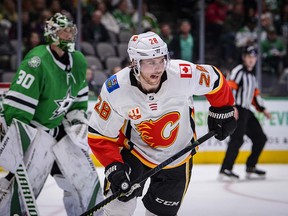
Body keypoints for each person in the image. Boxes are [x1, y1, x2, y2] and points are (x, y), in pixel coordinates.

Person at [87, 31, 237, 216]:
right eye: (150, 62)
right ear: (135, 62)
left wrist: (223, 110)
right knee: (118, 209)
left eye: (161, 60)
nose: (158, 68)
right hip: (135, 152)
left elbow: (215, 80)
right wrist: (114, 167)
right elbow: (99, 134)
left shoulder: (183, 74)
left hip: (178, 157)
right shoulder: (116, 88)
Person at [0, 13, 103, 215]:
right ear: (51, 34)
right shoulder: (36, 62)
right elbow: (17, 109)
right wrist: (17, 142)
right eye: (64, 31)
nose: (69, 35)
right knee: (21, 191)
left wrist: (78, 122)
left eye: (71, 30)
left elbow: (78, 102)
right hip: (34, 131)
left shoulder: (79, 61)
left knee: (84, 179)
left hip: (59, 128)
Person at [219, 45, 272, 180]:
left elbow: (254, 95)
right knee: (237, 139)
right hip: (237, 110)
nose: (251, 60)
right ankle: (225, 169)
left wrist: (263, 109)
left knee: (260, 138)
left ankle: (251, 166)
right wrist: (232, 107)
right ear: (244, 57)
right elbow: (231, 90)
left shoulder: (252, 76)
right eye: (249, 57)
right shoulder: (238, 71)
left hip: (247, 111)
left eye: (253, 57)